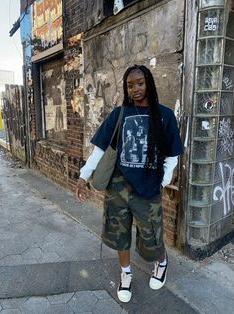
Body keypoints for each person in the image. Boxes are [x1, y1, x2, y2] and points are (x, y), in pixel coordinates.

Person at [75, 65, 183, 303]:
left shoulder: (164, 115)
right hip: (118, 187)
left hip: (148, 188)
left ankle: (161, 263)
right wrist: (84, 176)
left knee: (152, 234)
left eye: (140, 83)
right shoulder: (119, 114)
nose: (135, 89)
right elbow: (100, 149)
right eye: (130, 85)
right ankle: (125, 274)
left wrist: (162, 181)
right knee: (118, 235)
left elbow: (173, 154)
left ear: (149, 84)